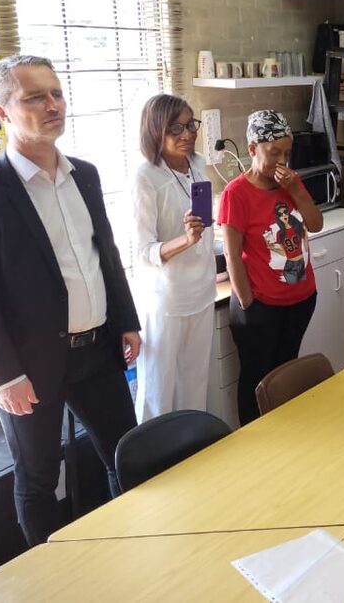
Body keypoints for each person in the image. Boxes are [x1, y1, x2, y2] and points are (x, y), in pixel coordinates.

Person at [0, 55, 142, 545]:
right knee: (37, 479)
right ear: (2, 112)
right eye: (35, 97)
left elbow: (107, 258)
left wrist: (126, 321)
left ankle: (135, 547)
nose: (53, 105)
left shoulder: (86, 176)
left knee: (126, 455)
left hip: (98, 349)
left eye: (56, 93)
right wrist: (3, 375)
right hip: (30, 365)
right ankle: (50, 577)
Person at [219, 110, 323, 424]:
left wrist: (295, 190)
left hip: (300, 299)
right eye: (273, 153)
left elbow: (315, 223)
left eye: (286, 154)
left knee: (286, 374)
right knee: (256, 379)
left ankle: (286, 433)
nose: (282, 162)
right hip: (261, 306)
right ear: (252, 149)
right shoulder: (235, 193)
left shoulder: (291, 183)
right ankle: (256, 441)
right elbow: (232, 255)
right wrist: (248, 302)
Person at [130, 94, 215, 421]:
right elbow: (143, 251)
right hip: (166, 300)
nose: (187, 134)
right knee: (157, 391)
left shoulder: (198, 163)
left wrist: (202, 235)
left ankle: (191, 455)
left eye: (190, 125)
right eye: (175, 128)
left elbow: (204, 226)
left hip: (202, 291)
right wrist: (186, 239)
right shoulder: (146, 177)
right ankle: (152, 465)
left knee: (195, 384)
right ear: (155, 132)